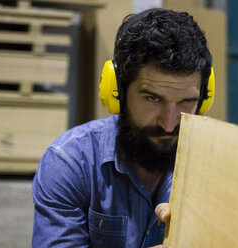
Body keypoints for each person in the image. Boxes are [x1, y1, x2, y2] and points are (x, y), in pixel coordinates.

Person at [32, 7, 213, 248]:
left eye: (186, 101)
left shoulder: (213, 167)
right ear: (116, 92)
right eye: (153, 99)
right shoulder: (70, 162)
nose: (169, 124)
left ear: (204, 98)